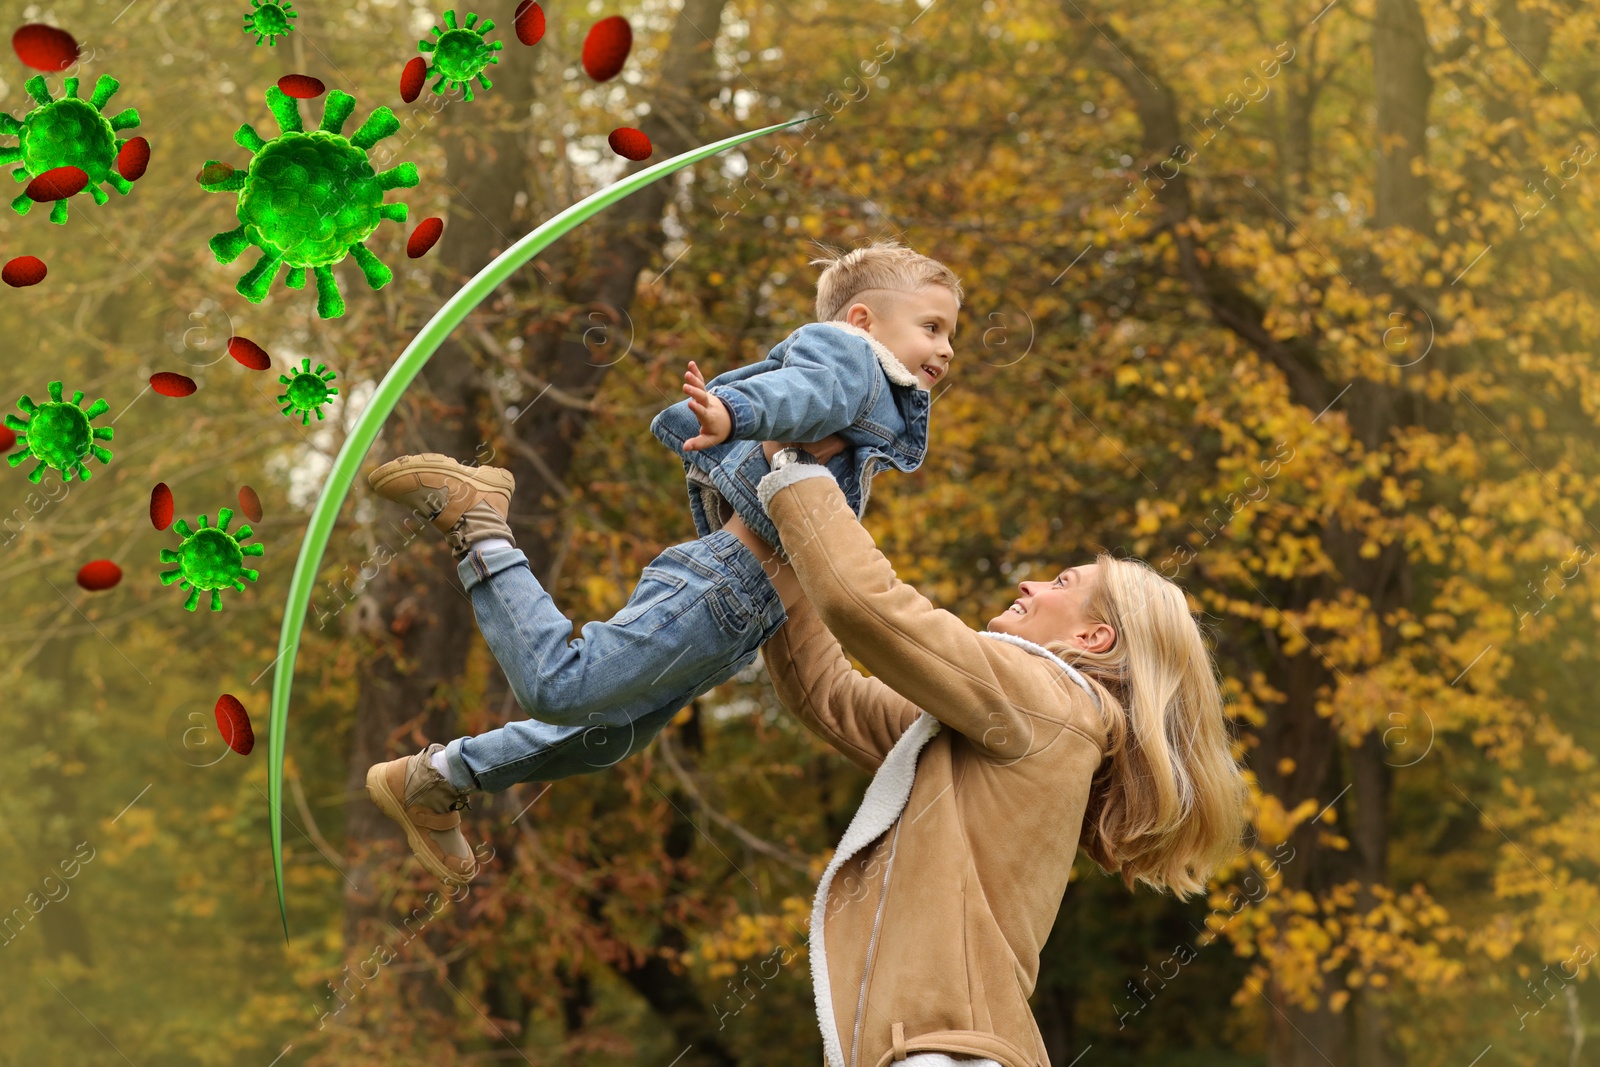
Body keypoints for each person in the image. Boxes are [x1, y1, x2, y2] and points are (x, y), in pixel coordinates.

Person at [361, 240, 965, 886]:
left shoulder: (870, 407)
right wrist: (736, 412)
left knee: (606, 737)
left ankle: (435, 778)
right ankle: (480, 523)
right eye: (932, 327)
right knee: (557, 687)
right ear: (864, 321)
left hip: (744, 616)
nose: (948, 348)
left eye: (951, 333)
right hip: (724, 587)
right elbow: (802, 390)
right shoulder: (852, 362)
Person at [734, 438, 1249, 1067]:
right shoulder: (1019, 724)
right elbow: (830, 696)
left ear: (1093, 636)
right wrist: (767, 544)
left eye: (1062, 582)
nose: (1029, 583)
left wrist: (793, 469)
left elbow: (866, 605)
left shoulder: (1046, 700)